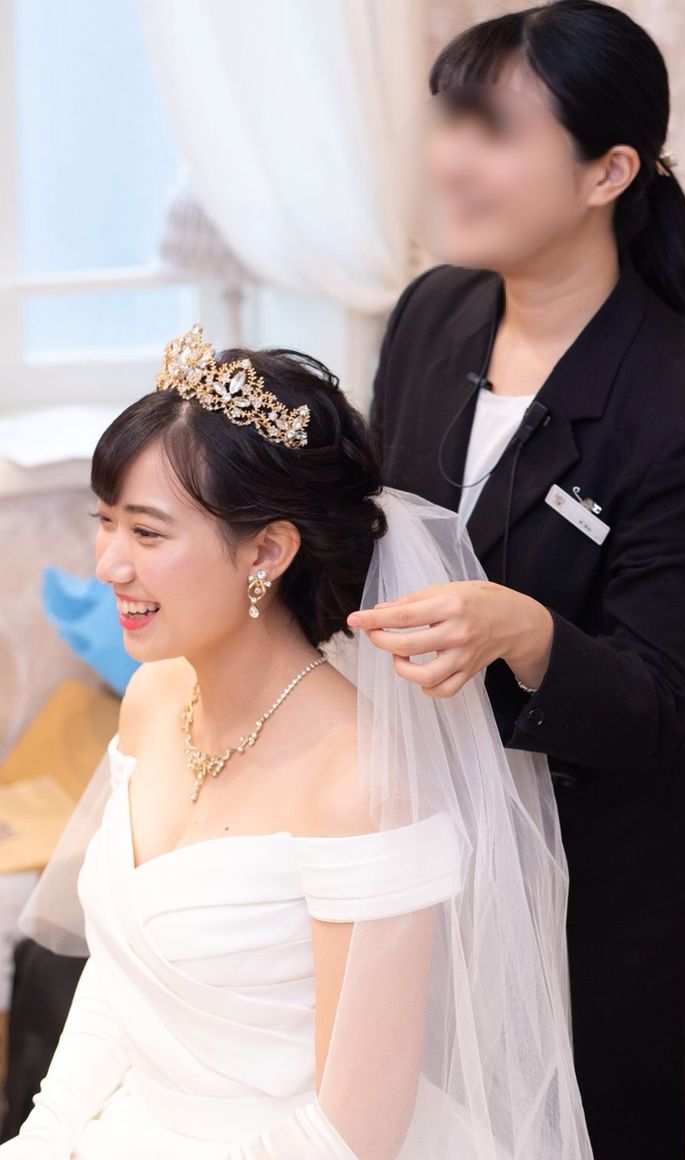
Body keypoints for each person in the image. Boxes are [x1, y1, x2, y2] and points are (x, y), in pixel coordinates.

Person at [3, 327, 591, 1159]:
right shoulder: (151, 697)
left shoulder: (364, 783)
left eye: (148, 533)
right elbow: (118, 978)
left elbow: (355, 1132)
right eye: (105, 523)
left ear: (269, 551)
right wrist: (42, 1136)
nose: (109, 565)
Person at [356, 3, 685, 1156]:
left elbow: (660, 696)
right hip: (436, 823)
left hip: (603, 877)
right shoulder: (433, 311)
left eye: (492, 130)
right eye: (451, 120)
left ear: (605, 173)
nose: (450, 158)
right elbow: (371, 526)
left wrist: (525, 630)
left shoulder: (684, 414)